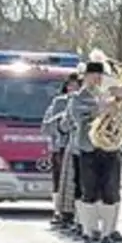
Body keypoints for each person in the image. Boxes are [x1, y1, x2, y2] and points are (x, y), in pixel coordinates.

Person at [66, 59, 122, 243]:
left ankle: (107, 233)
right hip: (88, 148)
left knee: (111, 192)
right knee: (89, 192)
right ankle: (88, 231)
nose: (97, 79)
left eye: (100, 75)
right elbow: (77, 116)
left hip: (111, 148)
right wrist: (100, 109)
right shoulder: (78, 97)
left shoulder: (111, 95)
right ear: (85, 77)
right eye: (93, 75)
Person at [41, 72, 80, 230]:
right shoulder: (59, 102)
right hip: (61, 146)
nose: (74, 88)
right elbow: (47, 126)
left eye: (77, 85)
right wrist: (62, 121)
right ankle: (59, 210)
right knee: (60, 180)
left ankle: (77, 213)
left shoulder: (85, 100)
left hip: (79, 145)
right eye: (71, 85)